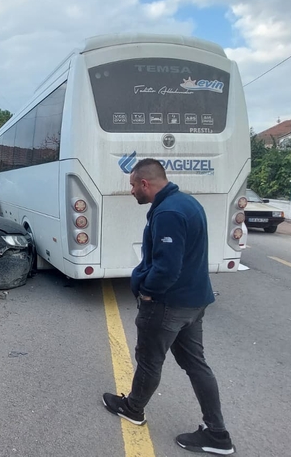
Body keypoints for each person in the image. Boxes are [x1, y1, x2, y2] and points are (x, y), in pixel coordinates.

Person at [102, 158, 235, 455]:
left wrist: (147, 292)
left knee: (150, 360)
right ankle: (217, 434)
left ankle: (133, 409)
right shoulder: (186, 203)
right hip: (194, 302)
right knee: (196, 365)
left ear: (145, 183)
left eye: (133, 185)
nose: (132, 191)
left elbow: (166, 269)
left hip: (168, 304)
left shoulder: (169, 212)